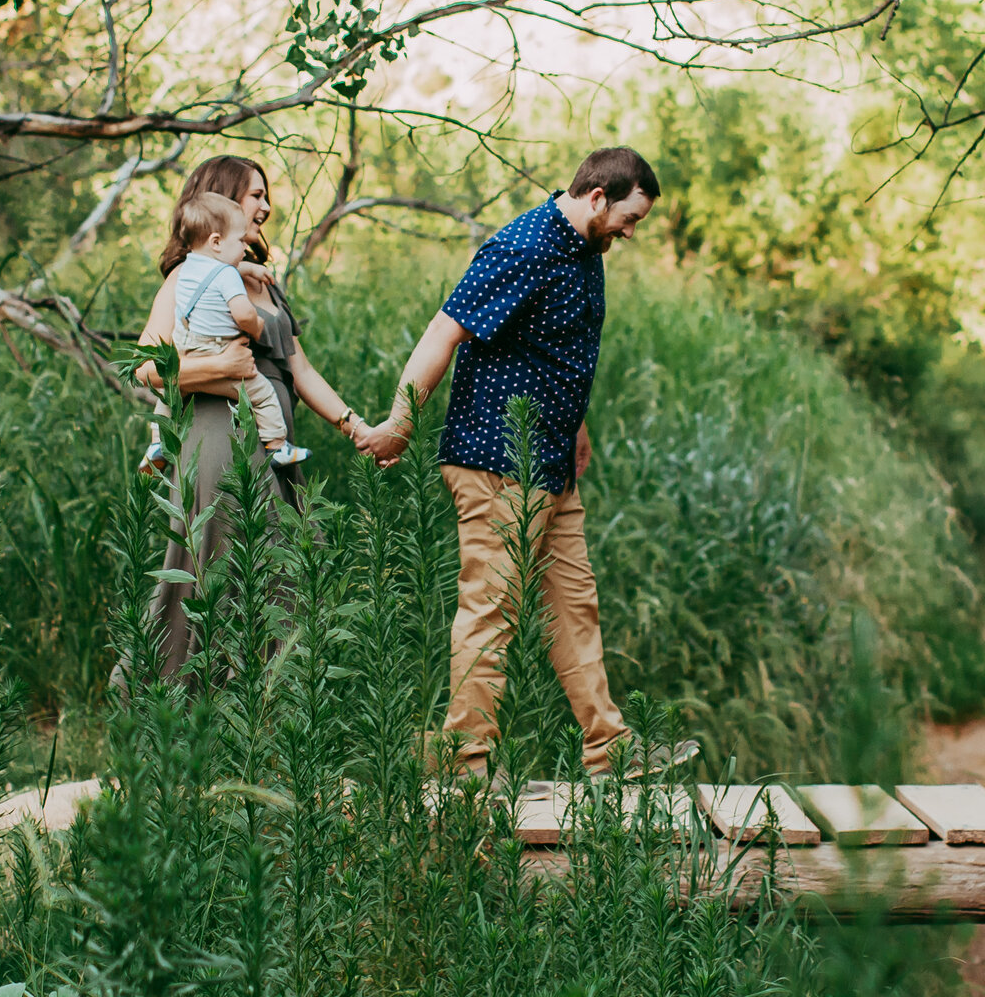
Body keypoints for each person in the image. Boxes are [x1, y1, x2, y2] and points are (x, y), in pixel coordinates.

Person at [361, 145, 697, 780]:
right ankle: (464, 764)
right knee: (492, 609)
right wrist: (400, 423)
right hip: (497, 458)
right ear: (599, 197)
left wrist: (578, 424)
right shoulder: (525, 247)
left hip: (550, 461)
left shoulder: (583, 249)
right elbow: (445, 330)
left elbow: (553, 345)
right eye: (630, 218)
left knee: (575, 604)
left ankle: (610, 749)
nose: (629, 233)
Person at [135, 155, 380, 676]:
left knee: (278, 565)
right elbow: (146, 367)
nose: (266, 207)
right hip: (217, 440)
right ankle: (177, 699)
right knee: (216, 566)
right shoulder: (186, 278)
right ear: (222, 202)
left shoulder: (263, 283)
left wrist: (356, 426)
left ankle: (266, 707)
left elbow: (301, 370)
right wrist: (218, 363)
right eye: (255, 196)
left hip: (272, 446)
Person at [163, 192, 307, 470]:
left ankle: (158, 441)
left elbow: (215, 266)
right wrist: (256, 326)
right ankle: (277, 445)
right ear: (216, 241)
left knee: (171, 395)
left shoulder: (189, 267)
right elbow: (242, 312)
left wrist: (248, 267)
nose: (245, 246)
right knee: (263, 394)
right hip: (219, 352)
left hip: (187, 343)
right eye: (240, 241)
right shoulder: (227, 274)